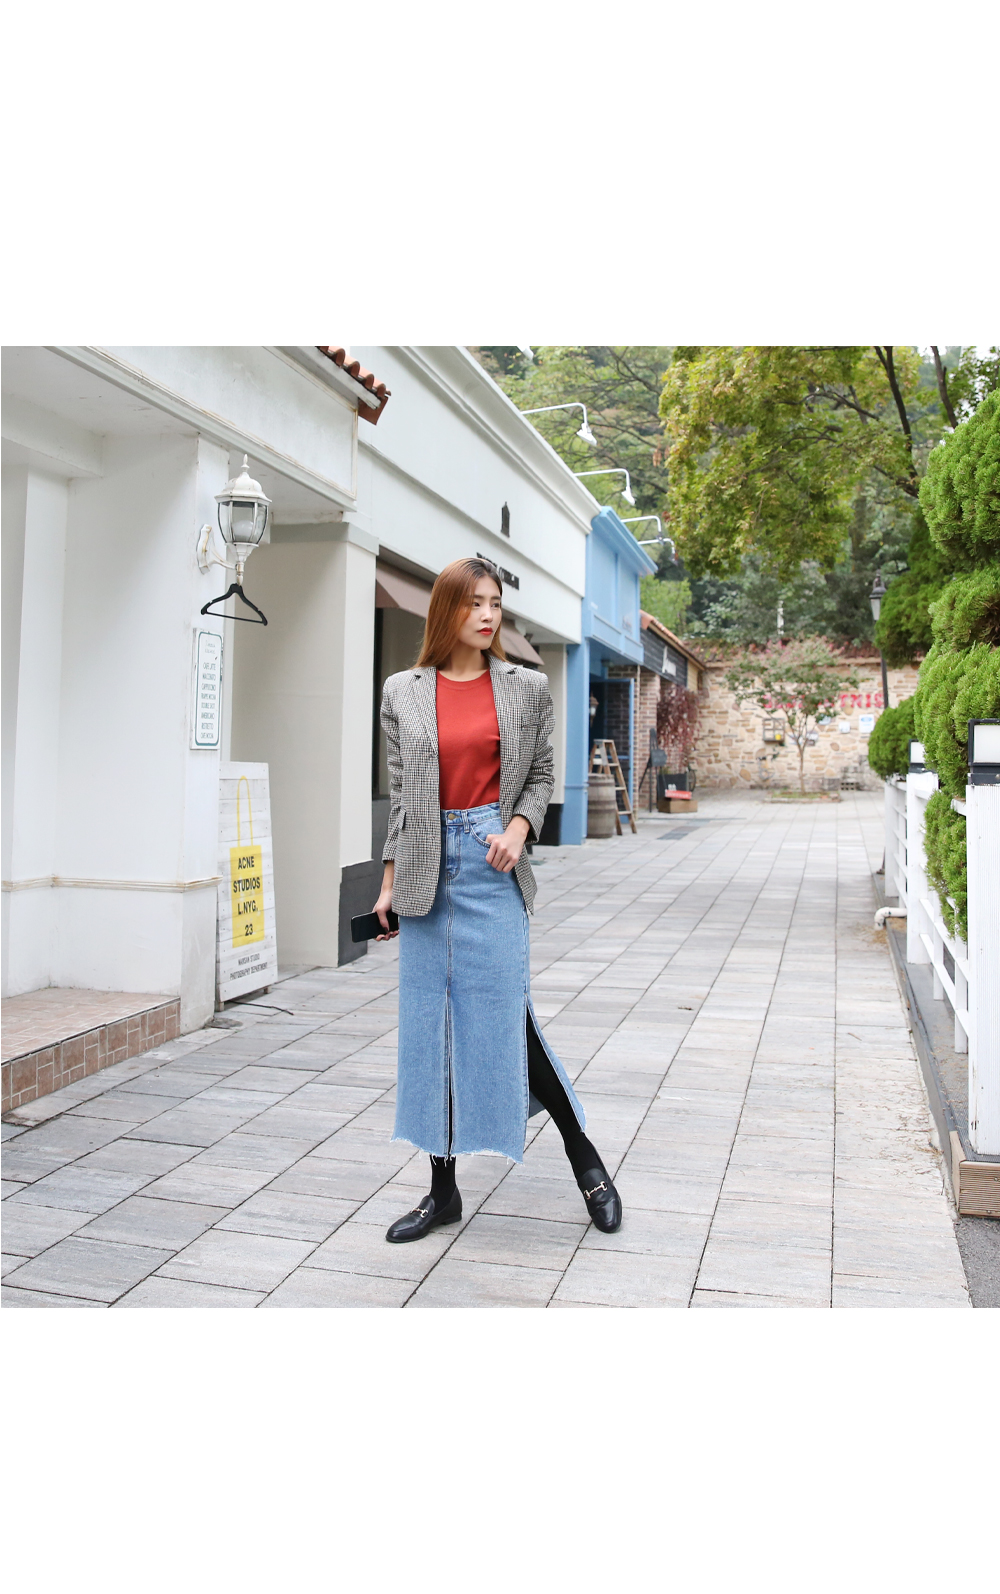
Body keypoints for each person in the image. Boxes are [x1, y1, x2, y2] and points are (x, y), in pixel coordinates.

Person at [373, 556, 623, 1243]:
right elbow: (402, 799)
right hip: (427, 872)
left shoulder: (525, 688)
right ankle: (442, 1190)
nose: (487, 616)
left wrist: (517, 828)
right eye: (474, 603)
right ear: (447, 610)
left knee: (509, 1022)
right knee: (433, 1032)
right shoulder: (403, 691)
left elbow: (541, 776)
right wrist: (389, 883)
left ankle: (585, 1158)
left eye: (495, 604)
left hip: (491, 864)